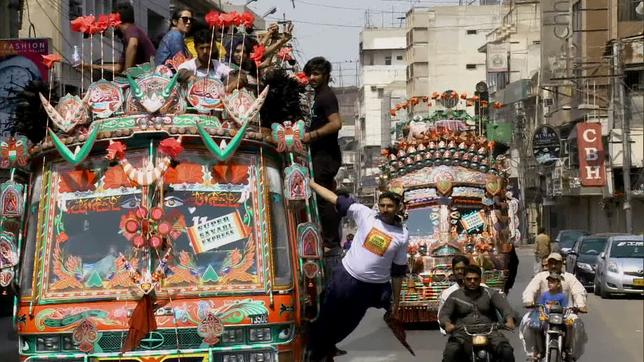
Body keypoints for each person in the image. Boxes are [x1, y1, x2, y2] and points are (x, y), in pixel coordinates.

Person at [307, 182, 409, 361]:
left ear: (398, 207)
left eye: (390, 206)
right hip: (346, 278)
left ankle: (327, 346)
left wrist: (397, 304)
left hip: (374, 287)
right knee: (327, 315)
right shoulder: (365, 214)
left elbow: (398, 272)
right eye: (382, 205)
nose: (385, 209)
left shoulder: (403, 235)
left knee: (350, 323)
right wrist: (310, 183)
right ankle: (316, 350)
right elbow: (333, 198)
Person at [302, 57, 343, 285]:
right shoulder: (316, 96)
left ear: (326, 74)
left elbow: (336, 123)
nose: (312, 78)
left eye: (316, 74)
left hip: (325, 155)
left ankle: (330, 241)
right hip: (317, 154)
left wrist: (312, 136)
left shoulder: (327, 96)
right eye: (310, 74)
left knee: (324, 196)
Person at [439, 265, 516, 362]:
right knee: (451, 352)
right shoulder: (455, 296)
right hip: (462, 333)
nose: (472, 281)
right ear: (463, 279)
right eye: (469, 279)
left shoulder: (490, 293)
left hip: (489, 331)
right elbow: (445, 313)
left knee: (506, 351)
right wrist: (447, 324)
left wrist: (509, 320)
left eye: (475, 279)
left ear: (480, 279)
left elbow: (505, 307)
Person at [521, 253, 588, 360]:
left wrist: (580, 305)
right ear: (547, 264)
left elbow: (578, 291)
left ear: (561, 264)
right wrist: (528, 300)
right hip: (542, 312)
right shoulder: (541, 276)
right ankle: (532, 353)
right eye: (551, 263)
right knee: (527, 323)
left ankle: (571, 353)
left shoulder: (569, 277)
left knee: (577, 325)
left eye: (556, 263)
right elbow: (530, 289)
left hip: (566, 313)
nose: (553, 266)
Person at [80, 2, 155, 75]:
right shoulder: (128, 37)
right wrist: (91, 66)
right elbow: (118, 68)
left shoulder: (131, 30)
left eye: (112, 20)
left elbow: (133, 45)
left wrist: (127, 72)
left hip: (149, 77)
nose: (111, 25)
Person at [177, 29, 243, 93]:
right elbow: (180, 72)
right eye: (202, 48)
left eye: (208, 47)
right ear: (195, 48)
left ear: (213, 48)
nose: (205, 51)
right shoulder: (189, 65)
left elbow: (240, 75)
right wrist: (193, 79)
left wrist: (231, 86)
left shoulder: (218, 65)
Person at [437, 255, 490, 336]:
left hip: (484, 332)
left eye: (462, 268)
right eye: (457, 269)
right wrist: (447, 327)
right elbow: (442, 315)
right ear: (453, 271)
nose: (460, 271)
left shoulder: (485, 289)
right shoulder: (447, 293)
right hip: (460, 334)